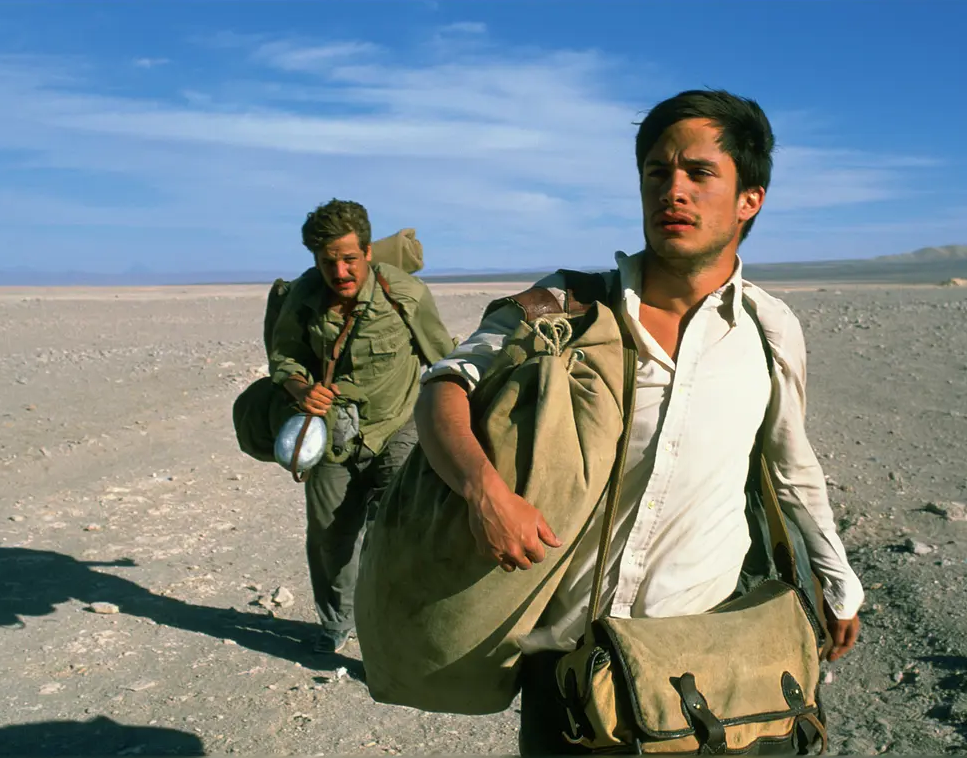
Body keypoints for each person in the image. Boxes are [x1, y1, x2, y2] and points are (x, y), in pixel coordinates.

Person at [414, 89, 864, 753]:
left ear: (750, 199)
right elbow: (445, 385)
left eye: (699, 172)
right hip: (571, 661)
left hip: (698, 654)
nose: (672, 190)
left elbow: (792, 465)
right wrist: (484, 491)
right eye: (657, 172)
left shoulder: (768, 330)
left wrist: (838, 580)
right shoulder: (567, 305)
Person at [269, 199, 455, 654]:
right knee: (329, 536)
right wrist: (300, 389)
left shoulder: (404, 294)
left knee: (395, 531)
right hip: (332, 434)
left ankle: (392, 625)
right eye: (327, 262)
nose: (340, 272)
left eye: (350, 259)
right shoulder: (303, 297)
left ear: (368, 252)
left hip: (397, 427)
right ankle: (337, 623)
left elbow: (443, 359)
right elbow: (285, 357)